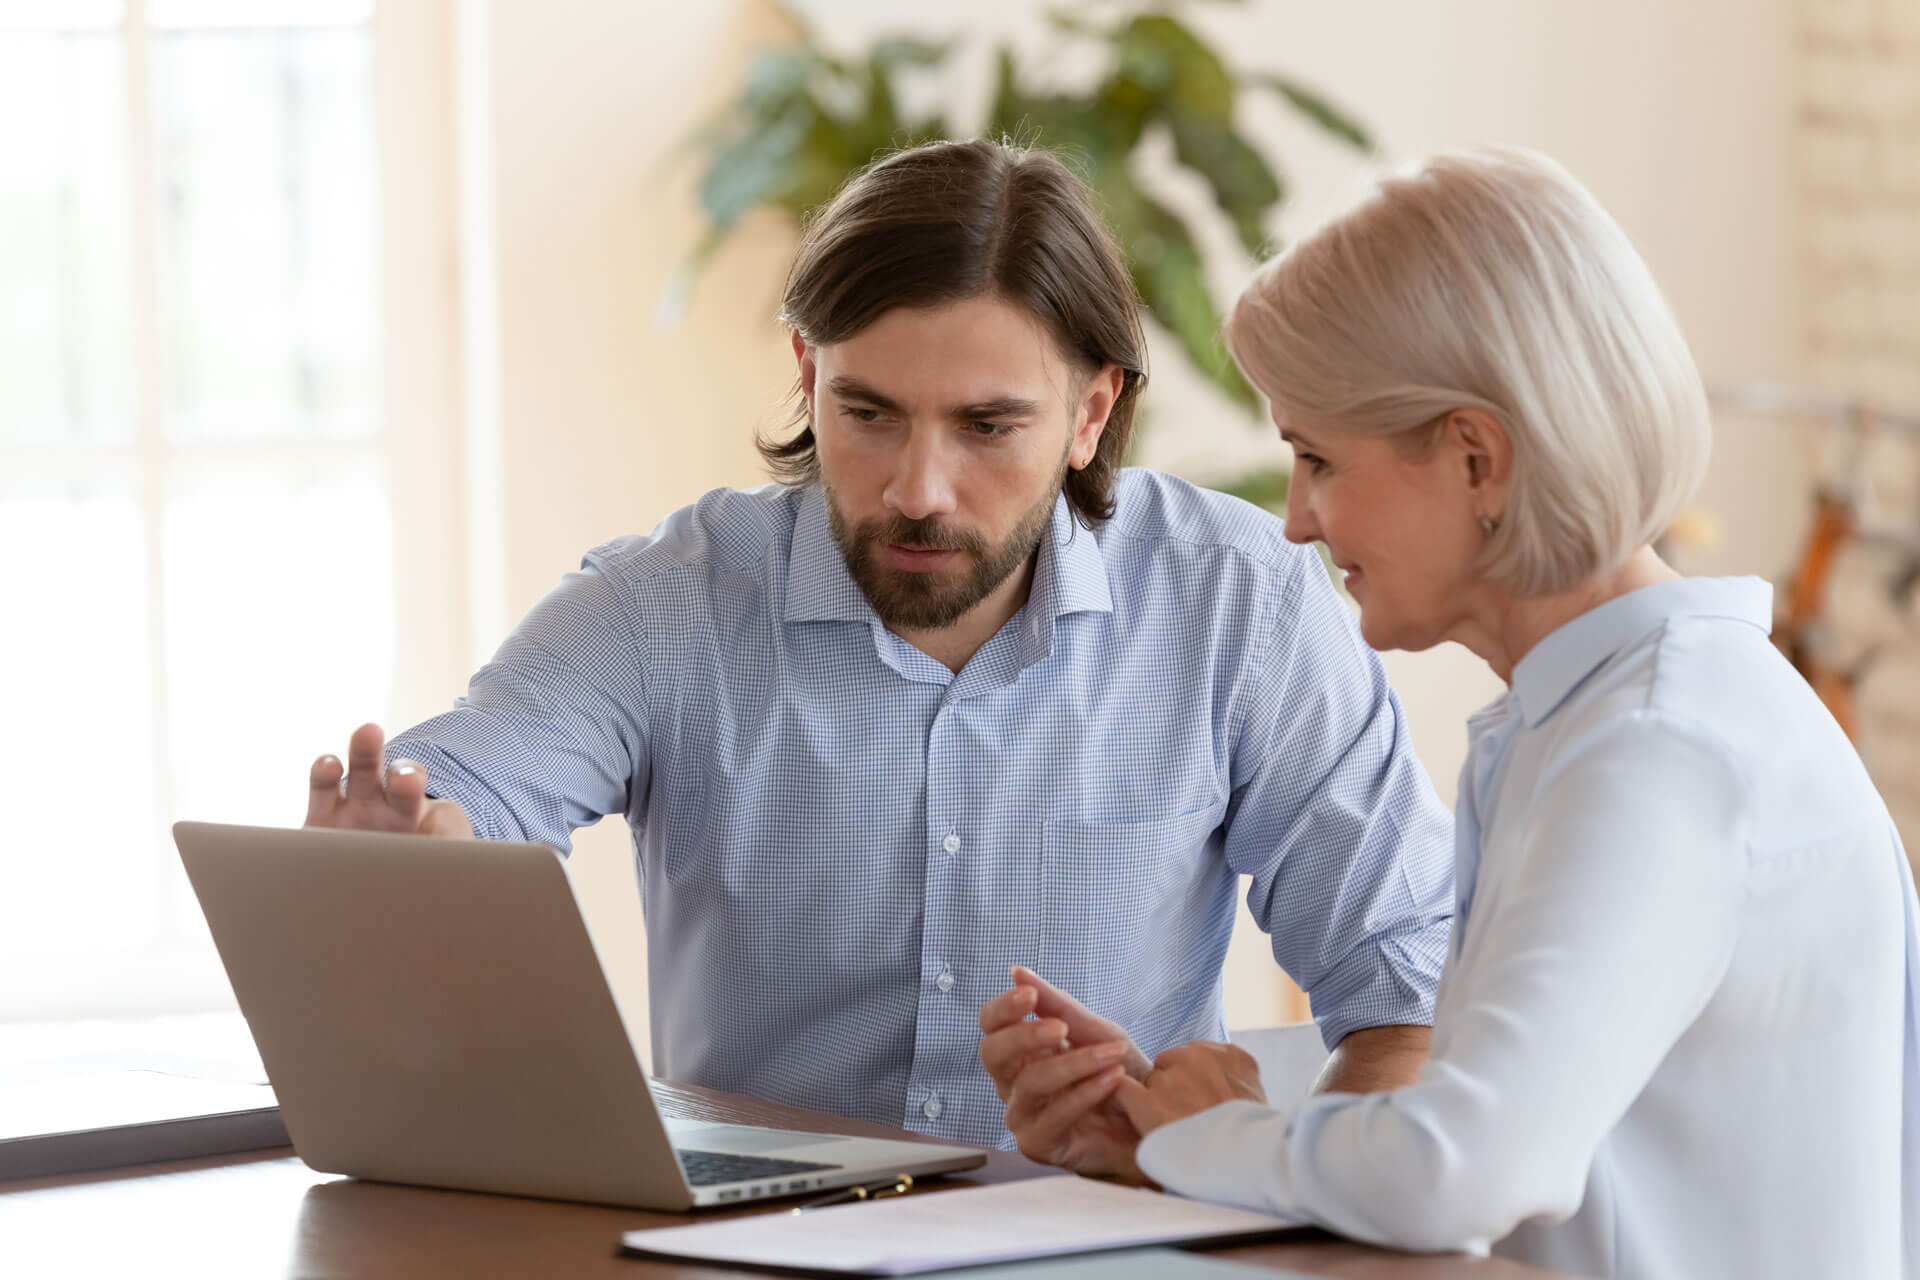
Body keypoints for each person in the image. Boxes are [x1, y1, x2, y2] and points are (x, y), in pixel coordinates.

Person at [302, 138, 1455, 1151]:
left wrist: (1303, 1195)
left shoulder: (1237, 601)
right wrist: (415, 846)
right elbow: (471, 786)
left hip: (1110, 1235)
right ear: (808, 373)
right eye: (869, 413)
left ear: (1090, 413)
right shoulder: (667, 603)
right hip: (756, 1246)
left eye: (989, 426)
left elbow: (1402, 978)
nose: (918, 489)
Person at [981, 146, 1920, 1277]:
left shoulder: (1660, 747)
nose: (1297, 522)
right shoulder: (1596, 720)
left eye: (1319, 458)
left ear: (1477, 457)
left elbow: (1466, 1166)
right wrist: (1171, 1136)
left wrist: (1213, 1133)